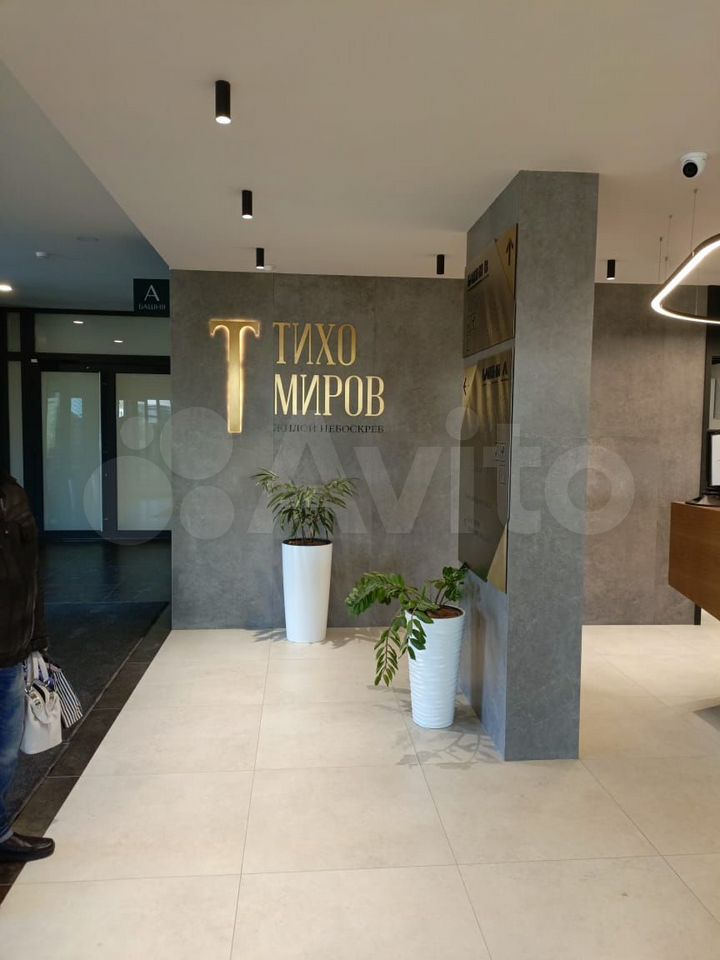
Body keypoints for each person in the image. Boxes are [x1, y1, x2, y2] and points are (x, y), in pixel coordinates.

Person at [0, 470, 55, 861]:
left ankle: (0, 832)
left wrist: (37, 639)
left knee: (5, 751)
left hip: (10, 647)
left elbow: (30, 573)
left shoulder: (14, 494)